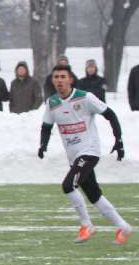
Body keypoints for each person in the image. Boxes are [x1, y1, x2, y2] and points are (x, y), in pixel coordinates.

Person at [38, 64, 131, 245]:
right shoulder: (52, 103)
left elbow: (110, 114)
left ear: (70, 79)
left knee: (68, 185)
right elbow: (46, 127)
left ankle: (86, 225)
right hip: (74, 157)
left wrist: (118, 140)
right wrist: (43, 145)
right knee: (93, 194)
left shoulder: (85, 97)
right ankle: (123, 227)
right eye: (56, 77)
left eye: (63, 77)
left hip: (89, 151)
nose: (59, 80)